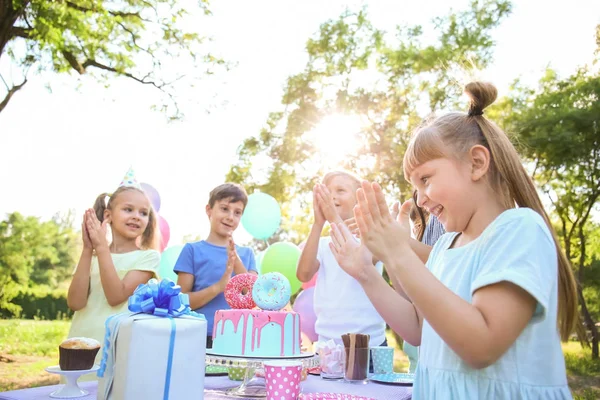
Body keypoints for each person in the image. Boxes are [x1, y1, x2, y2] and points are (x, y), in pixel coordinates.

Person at [329, 81, 579, 398]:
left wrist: (398, 253)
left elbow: (481, 345)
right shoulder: (445, 247)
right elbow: (419, 329)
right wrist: (365, 273)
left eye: (426, 179)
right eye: (414, 186)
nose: (420, 198)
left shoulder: (519, 229)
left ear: (476, 163)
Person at [67, 181, 161, 372]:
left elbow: (115, 296)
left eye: (143, 213)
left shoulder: (148, 257)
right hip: (80, 344)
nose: (137, 217)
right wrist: (87, 249)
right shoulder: (91, 257)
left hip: (118, 347)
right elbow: (75, 303)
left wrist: (100, 247)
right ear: (108, 215)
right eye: (128, 209)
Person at [296, 171, 386, 350]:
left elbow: (359, 261)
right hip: (328, 346)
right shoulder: (322, 244)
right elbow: (303, 274)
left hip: (370, 345)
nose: (332, 197)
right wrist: (317, 223)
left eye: (340, 190)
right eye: (328, 192)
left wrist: (333, 219)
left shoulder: (373, 238)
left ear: (359, 200)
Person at [174, 183, 257, 348]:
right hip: (198, 337)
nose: (230, 217)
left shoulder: (247, 254)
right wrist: (219, 287)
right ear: (209, 210)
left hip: (238, 338)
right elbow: (179, 302)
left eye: (237, 212)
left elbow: (254, 297)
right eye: (224, 209)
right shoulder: (192, 250)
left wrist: (236, 261)